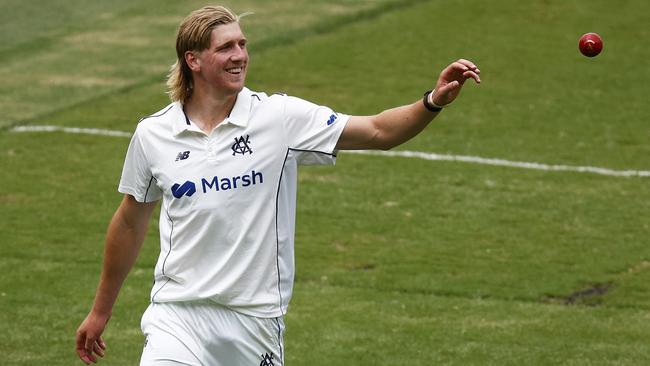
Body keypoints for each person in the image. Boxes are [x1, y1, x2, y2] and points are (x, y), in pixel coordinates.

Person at [75, 5, 480, 365]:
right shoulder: (153, 134)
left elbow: (377, 131)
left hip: (255, 321)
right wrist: (100, 311)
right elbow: (130, 222)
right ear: (193, 60)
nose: (240, 56)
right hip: (179, 315)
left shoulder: (279, 118)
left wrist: (432, 102)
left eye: (242, 44)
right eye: (226, 48)